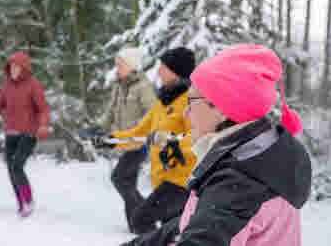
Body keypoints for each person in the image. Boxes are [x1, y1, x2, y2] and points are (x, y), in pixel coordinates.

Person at [119, 44, 312, 246]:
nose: (186, 113)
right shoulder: (257, 162)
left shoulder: (239, 184)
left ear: (223, 109)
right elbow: (196, 222)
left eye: (191, 101)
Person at [97, 47, 197, 235]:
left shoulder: (190, 101)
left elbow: (199, 138)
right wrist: (111, 140)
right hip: (162, 180)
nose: (159, 71)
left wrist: (175, 144)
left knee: (141, 219)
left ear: (177, 71)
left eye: (164, 67)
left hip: (182, 183)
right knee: (173, 234)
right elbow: (139, 133)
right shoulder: (162, 103)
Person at [0, 52, 50, 218]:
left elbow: (43, 108)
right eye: (11, 67)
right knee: (10, 168)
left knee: (17, 166)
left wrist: (43, 126)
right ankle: (21, 202)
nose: (13, 70)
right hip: (11, 132)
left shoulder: (33, 85)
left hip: (29, 133)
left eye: (17, 67)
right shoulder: (7, 86)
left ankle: (28, 201)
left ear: (24, 68)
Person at [87, 46, 156, 232]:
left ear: (132, 65)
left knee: (119, 179)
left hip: (140, 143)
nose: (117, 68)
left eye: (121, 64)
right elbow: (110, 113)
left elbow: (152, 114)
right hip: (126, 143)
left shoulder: (144, 87)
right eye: (117, 64)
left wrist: (136, 131)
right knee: (128, 182)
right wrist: (98, 127)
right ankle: (137, 224)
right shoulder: (119, 87)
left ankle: (147, 216)